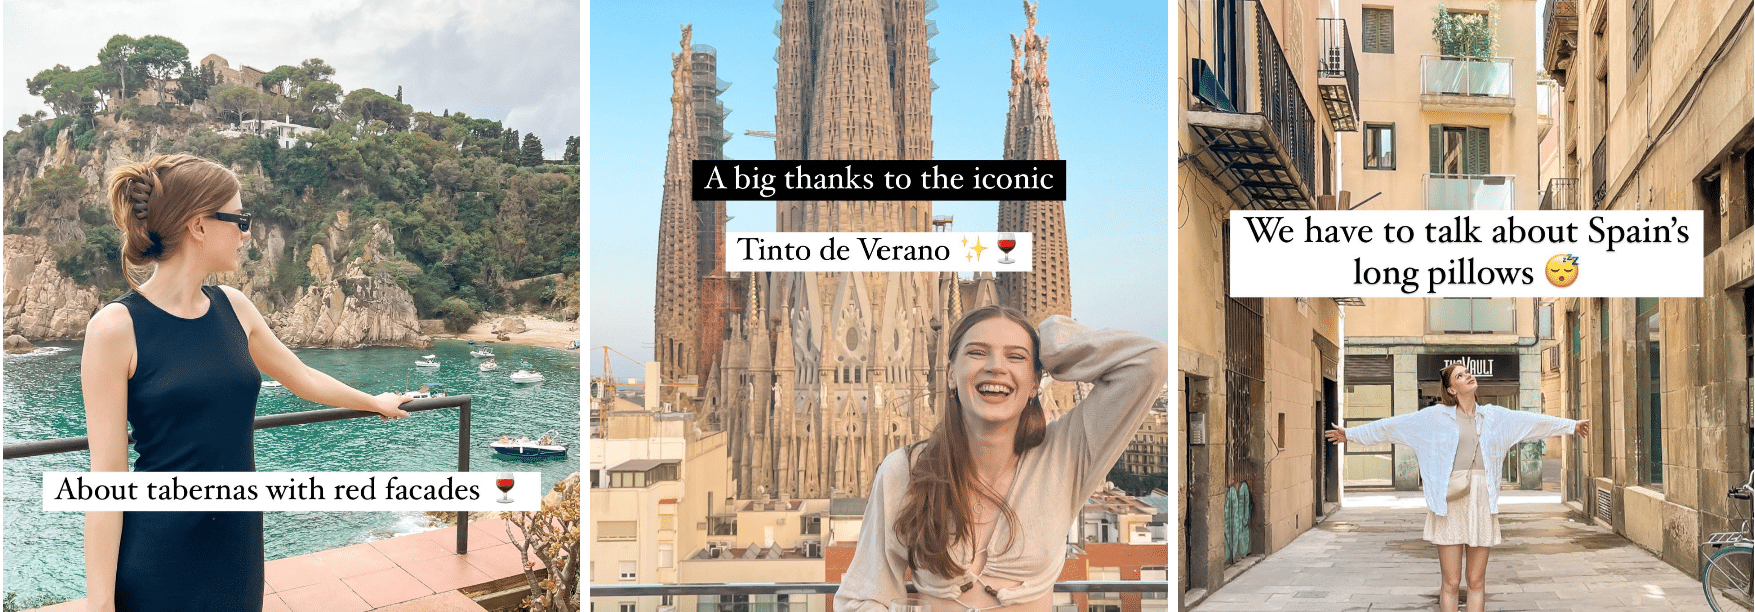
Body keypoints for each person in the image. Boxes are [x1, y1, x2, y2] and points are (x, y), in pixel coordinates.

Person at [81, 154, 412, 612]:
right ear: (199, 225)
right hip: (161, 548)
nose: (246, 233)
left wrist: (375, 401)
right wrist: (99, 604)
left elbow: (304, 376)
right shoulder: (115, 328)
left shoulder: (234, 307)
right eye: (239, 220)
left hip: (238, 541)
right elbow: (107, 479)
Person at [835, 305, 1167, 612]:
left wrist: (1051, 342)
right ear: (951, 374)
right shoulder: (906, 470)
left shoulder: (1064, 455)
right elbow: (862, 595)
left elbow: (1149, 361)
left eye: (1016, 357)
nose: (996, 367)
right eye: (977, 353)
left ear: (1036, 381)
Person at [1323, 364, 1589, 612]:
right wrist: (1351, 434)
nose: (1468, 376)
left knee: (1476, 581)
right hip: (1449, 500)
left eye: (1468, 372)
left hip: (1482, 500)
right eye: (1460, 376)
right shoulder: (1434, 417)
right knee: (1450, 582)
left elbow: (1532, 423)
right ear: (1451, 389)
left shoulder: (1496, 416)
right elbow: (1392, 427)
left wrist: (1571, 426)